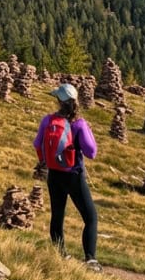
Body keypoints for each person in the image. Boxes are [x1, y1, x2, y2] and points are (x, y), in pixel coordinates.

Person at [33, 83, 100, 270]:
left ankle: (60, 255)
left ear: (58, 101)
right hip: (74, 175)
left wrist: (45, 161)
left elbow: (37, 144)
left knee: (57, 215)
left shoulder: (48, 120)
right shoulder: (78, 124)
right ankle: (90, 259)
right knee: (90, 217)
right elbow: (91, 152)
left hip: (54, 175)